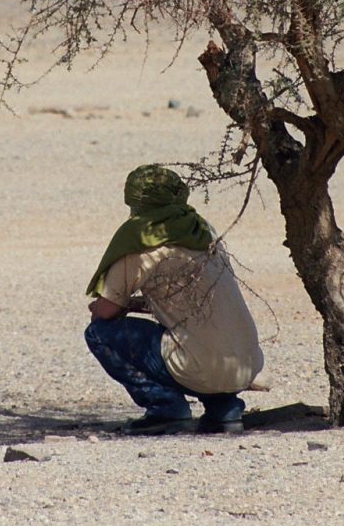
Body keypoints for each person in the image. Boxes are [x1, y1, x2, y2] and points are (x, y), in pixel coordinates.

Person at [84, 164, 265, 435]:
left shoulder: (141, 240)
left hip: (198, 365)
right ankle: (225, 409)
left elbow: (108, 310)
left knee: (99, 333)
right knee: (200, 336)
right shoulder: (202, 229)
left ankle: (166, 409)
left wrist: (98, 307)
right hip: (246, 364)